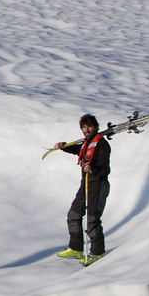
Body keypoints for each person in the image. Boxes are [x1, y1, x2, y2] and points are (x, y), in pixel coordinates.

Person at [55, 113, 110, 264]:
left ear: (96, 127)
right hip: (85, 184)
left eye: (90, 126)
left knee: (92, 220)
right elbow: (78, 150)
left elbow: (105, 168)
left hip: (98, 185)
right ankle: (76, 248)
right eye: (84, 127)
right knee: (73, 214)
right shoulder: (87, 143)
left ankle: (97, 252)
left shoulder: (102, 144)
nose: (87, 129)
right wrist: (64, 146)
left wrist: (93, 170)